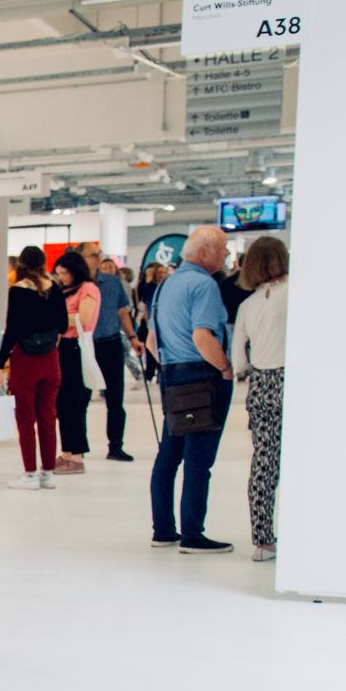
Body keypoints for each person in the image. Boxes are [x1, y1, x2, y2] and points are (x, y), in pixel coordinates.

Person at [148, 225, 236, 554]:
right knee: (199, 460)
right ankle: (193, 534)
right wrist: (224, 367)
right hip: (202, 377)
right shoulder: (204, 285)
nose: (226, 253)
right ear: (204, 252)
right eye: (222, 248)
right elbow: (202, 336)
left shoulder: (165, 285)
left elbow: (151, 341)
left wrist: (173, 365)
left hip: (172, 375)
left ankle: (163, 530)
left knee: (169, 456)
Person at [231, 236, 289, 562]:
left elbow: (238, 359)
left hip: (260, 384)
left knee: (264, 464)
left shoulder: (248, 306)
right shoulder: (296, 294)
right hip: (291, 380)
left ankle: (263, 540)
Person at [0, 246, 67, 490]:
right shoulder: (54, 287)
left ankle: (30, 474)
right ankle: (48, 473)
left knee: (26, 419)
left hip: (25, 360)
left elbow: (12, 330)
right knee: (48, 416)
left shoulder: (18, 290)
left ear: (21, 264)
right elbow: (63, 324)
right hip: (50, 358)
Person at [84, 249, 140, 460]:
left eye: (98, 254)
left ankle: (116, 446)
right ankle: (77, 448)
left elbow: (122, 313)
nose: (97, 258)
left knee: (115, 399)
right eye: (92, 254)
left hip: (110, 342)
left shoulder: (113, 282)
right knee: (80, 399)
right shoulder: (75, 284)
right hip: (85, 345)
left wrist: (133, 337)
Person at [50, 249, 98, 475]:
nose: (62, 278)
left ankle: (77, 454)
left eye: (65, 273)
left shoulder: (88, 289)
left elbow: (84, 318)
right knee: (62, 403)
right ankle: (67, 451)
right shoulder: (65, 291)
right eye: (59, 274)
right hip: (62, 348)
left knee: (75, 402)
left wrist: (57, 316)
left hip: (76, 347)